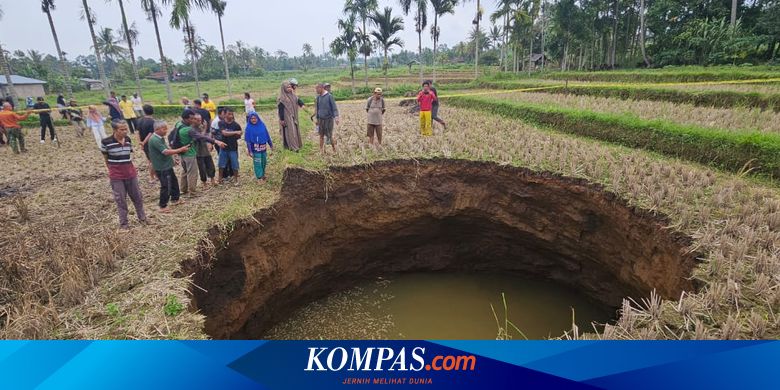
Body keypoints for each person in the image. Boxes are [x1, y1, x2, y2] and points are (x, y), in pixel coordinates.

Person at [100, 120, 148, 230]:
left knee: (137, 197)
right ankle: (124, 224)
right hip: (117, 176)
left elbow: (128, 156)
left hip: (131, 173)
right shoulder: (106, 142)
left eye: (126, 129)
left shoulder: (128, 140)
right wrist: (112, 170)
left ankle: (143, 218)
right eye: (122, 129)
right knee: (121, 200)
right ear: (115, 130)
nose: (125, 131)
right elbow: (106, 158)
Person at [174, 109, 226, 196]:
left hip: (182, 152)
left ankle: (183, 189)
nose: (192, 120)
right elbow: (202, 137)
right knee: (192, 173)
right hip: (190, 153)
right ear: (186, 119)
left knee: (185, 171)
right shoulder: (189, 130)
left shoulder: (179, 124)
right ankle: (192, 192)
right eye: (191, 119)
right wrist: (216, 141)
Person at [147, 120, 189, 213]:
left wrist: (173, 158)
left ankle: (175, 199)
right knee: (166, 186)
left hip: (166, 165)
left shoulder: (160, 138)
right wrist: (180, 149)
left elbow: (166, 149)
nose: (166, 130)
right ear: (157, 129)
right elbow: (165, 152)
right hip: (162, 167)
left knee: (173, 182)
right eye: (164, 129)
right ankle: (162, 205)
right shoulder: (154, 139)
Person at [244, 112, 273, 182]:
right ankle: (259, 177)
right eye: (252, 118)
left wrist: (271, 144)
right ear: (249, 119)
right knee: (257, 162)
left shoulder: (262, 125)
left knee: (263, 161)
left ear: (257, 118)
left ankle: (262, 174)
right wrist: (250, 151)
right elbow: (248, 141)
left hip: (263, 148)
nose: (253, 120)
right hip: (255, 148)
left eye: (255, 118)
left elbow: (267, 135)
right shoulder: (248, 128)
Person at [217, 108, 242, 185]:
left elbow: (240, 135)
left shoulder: (236, 125)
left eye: (232, 114)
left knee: (235, 164)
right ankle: (220, 178)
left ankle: (235, 179)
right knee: (221, 164)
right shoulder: (221, 123)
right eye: (229, 114)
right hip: (223, 147)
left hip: (233, 147)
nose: (231, 116)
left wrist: (236, 133)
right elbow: (224, 133)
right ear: (224, 114)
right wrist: (235, 132)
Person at [277, 81, 304, 151]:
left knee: (295, 130)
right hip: (287, 117)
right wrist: (282, 119)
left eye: (290, 87)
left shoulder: (293, 95)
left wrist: (302, 104)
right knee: (290, 131)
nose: (289, 88)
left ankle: (297, 144)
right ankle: (292, 147)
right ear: (284, 89)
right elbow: (281, 110)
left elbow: (298, 100)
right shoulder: (282, 98)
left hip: (294, 116)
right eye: (287, 87)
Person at [136, 104, 158, 183]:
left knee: (150, 160)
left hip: (144, 143)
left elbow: (137, 132)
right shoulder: (152, 122)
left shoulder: (139, 120)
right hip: (150, 143)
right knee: (152, 161)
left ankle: (155, 175)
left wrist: (140, 142)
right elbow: (150, 133)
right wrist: (144, 142)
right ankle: (152, 177)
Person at [315, 82, 339, 153]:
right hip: (321, 120)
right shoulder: (318, 98)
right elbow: (318, 109)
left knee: (329, 135)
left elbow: (334, 108)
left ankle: (334, 149)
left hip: (328, 119)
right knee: (321, 135)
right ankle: (321, 150)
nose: (316, 90)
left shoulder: (329, 96)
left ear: (321, 88)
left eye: (317, 89)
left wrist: (336, 117)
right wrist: (317, 119)